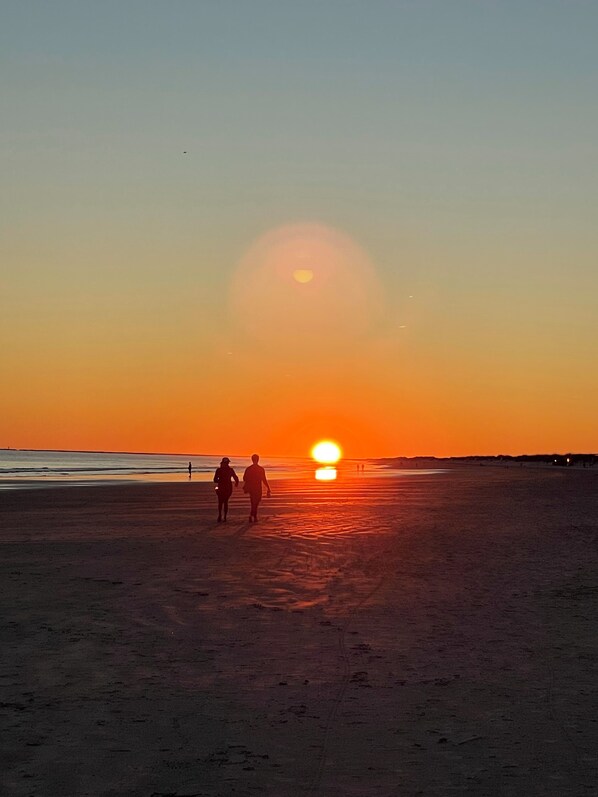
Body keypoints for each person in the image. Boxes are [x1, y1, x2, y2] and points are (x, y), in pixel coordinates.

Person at [243, 454, 271, 522]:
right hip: (257, 487)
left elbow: (244, 478)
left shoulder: (249, 469)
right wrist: (268, 487)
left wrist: (268, 487)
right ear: (258, 460)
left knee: (254, 502)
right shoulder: (260, 469)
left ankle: (252, 514)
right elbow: (264, 479)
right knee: (256, 501)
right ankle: (254, 516)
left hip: (251, 488)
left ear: (252, 460)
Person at [213, 457, 239, 522]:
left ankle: (220, 515)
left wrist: (220, 481)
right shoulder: (230, 470)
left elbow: (215, 480)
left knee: (220, 502)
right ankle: (224, 516)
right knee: (225, 502)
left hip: (222, 487)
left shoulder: (219, 470)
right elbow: (236, 478)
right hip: (228, 488)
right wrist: (236, 483)